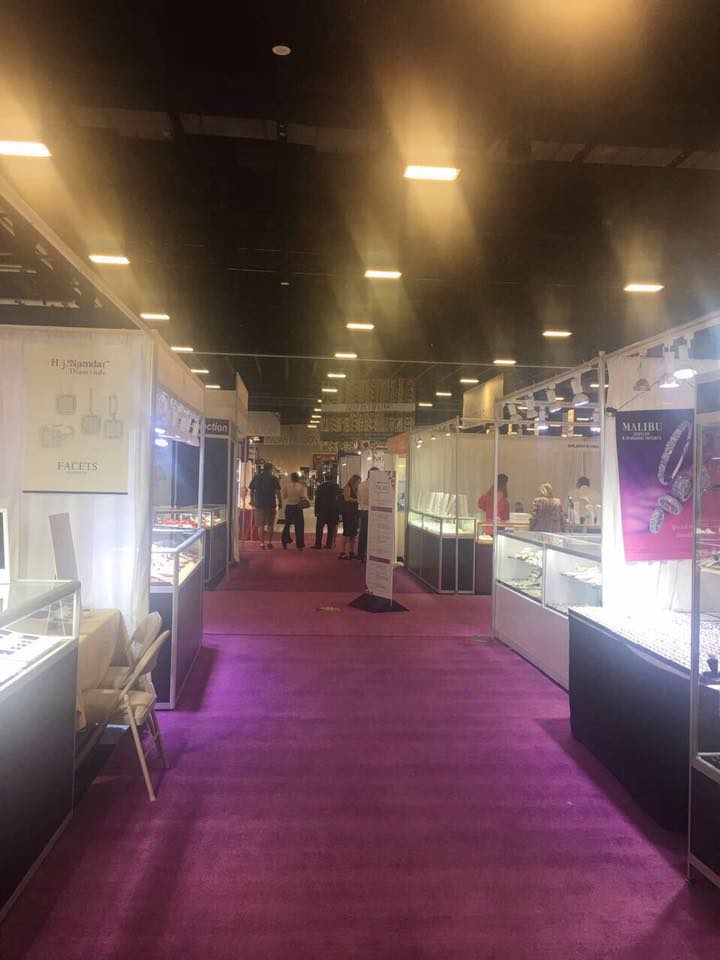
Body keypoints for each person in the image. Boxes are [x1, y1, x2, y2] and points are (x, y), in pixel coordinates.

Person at [249, 462, 282, 550]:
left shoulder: (256, 477)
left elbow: (251, 490)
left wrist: (252, 499)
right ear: (270, 469)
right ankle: (269, 542)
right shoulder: (274, 478)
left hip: (259, 503)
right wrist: (280, 502)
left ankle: (262, 543)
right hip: (270, 503)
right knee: (270, 524)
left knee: (261, 525)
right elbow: (277, 492)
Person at [312, 472, 340, 549]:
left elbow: (317, 500)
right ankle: (329, 544)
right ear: (332, 478)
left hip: (322, 510)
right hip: (332, 510)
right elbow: (337, 500)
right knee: (330, 528)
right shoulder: (336, 487)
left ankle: (318, 544)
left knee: (319, 528)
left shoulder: (320, 487)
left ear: (324, 478)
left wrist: (316, 511)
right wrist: (338, 511)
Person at [281, 472, 307, 550]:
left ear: (291, 478)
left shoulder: (287, 486)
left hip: (289, 506)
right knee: (299, 526)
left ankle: (284, 542)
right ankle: (299, 545)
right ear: (298, 478)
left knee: (287, 525)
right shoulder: (301, 486)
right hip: (297, 507)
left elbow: (284, 496)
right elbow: (302, 497)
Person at [357, 467, 379, 562]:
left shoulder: (361, 485)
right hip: (373, 511)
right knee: (374, 533)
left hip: (363, 511)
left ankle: (361, 554)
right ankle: (371, 554)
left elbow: (358, 499)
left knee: (363, 533)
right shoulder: (376, 485)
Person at [339, 473, 361, 559]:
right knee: (346, 532)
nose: (359, 483)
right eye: (358, 482)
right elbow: (346, 498)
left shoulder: (356, 488)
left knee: (353, 533)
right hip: (348, 512)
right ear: (354, 481)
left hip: (354, 512)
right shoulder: (347, 487)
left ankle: (351, 551)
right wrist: (356, 500)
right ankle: (342, 552)